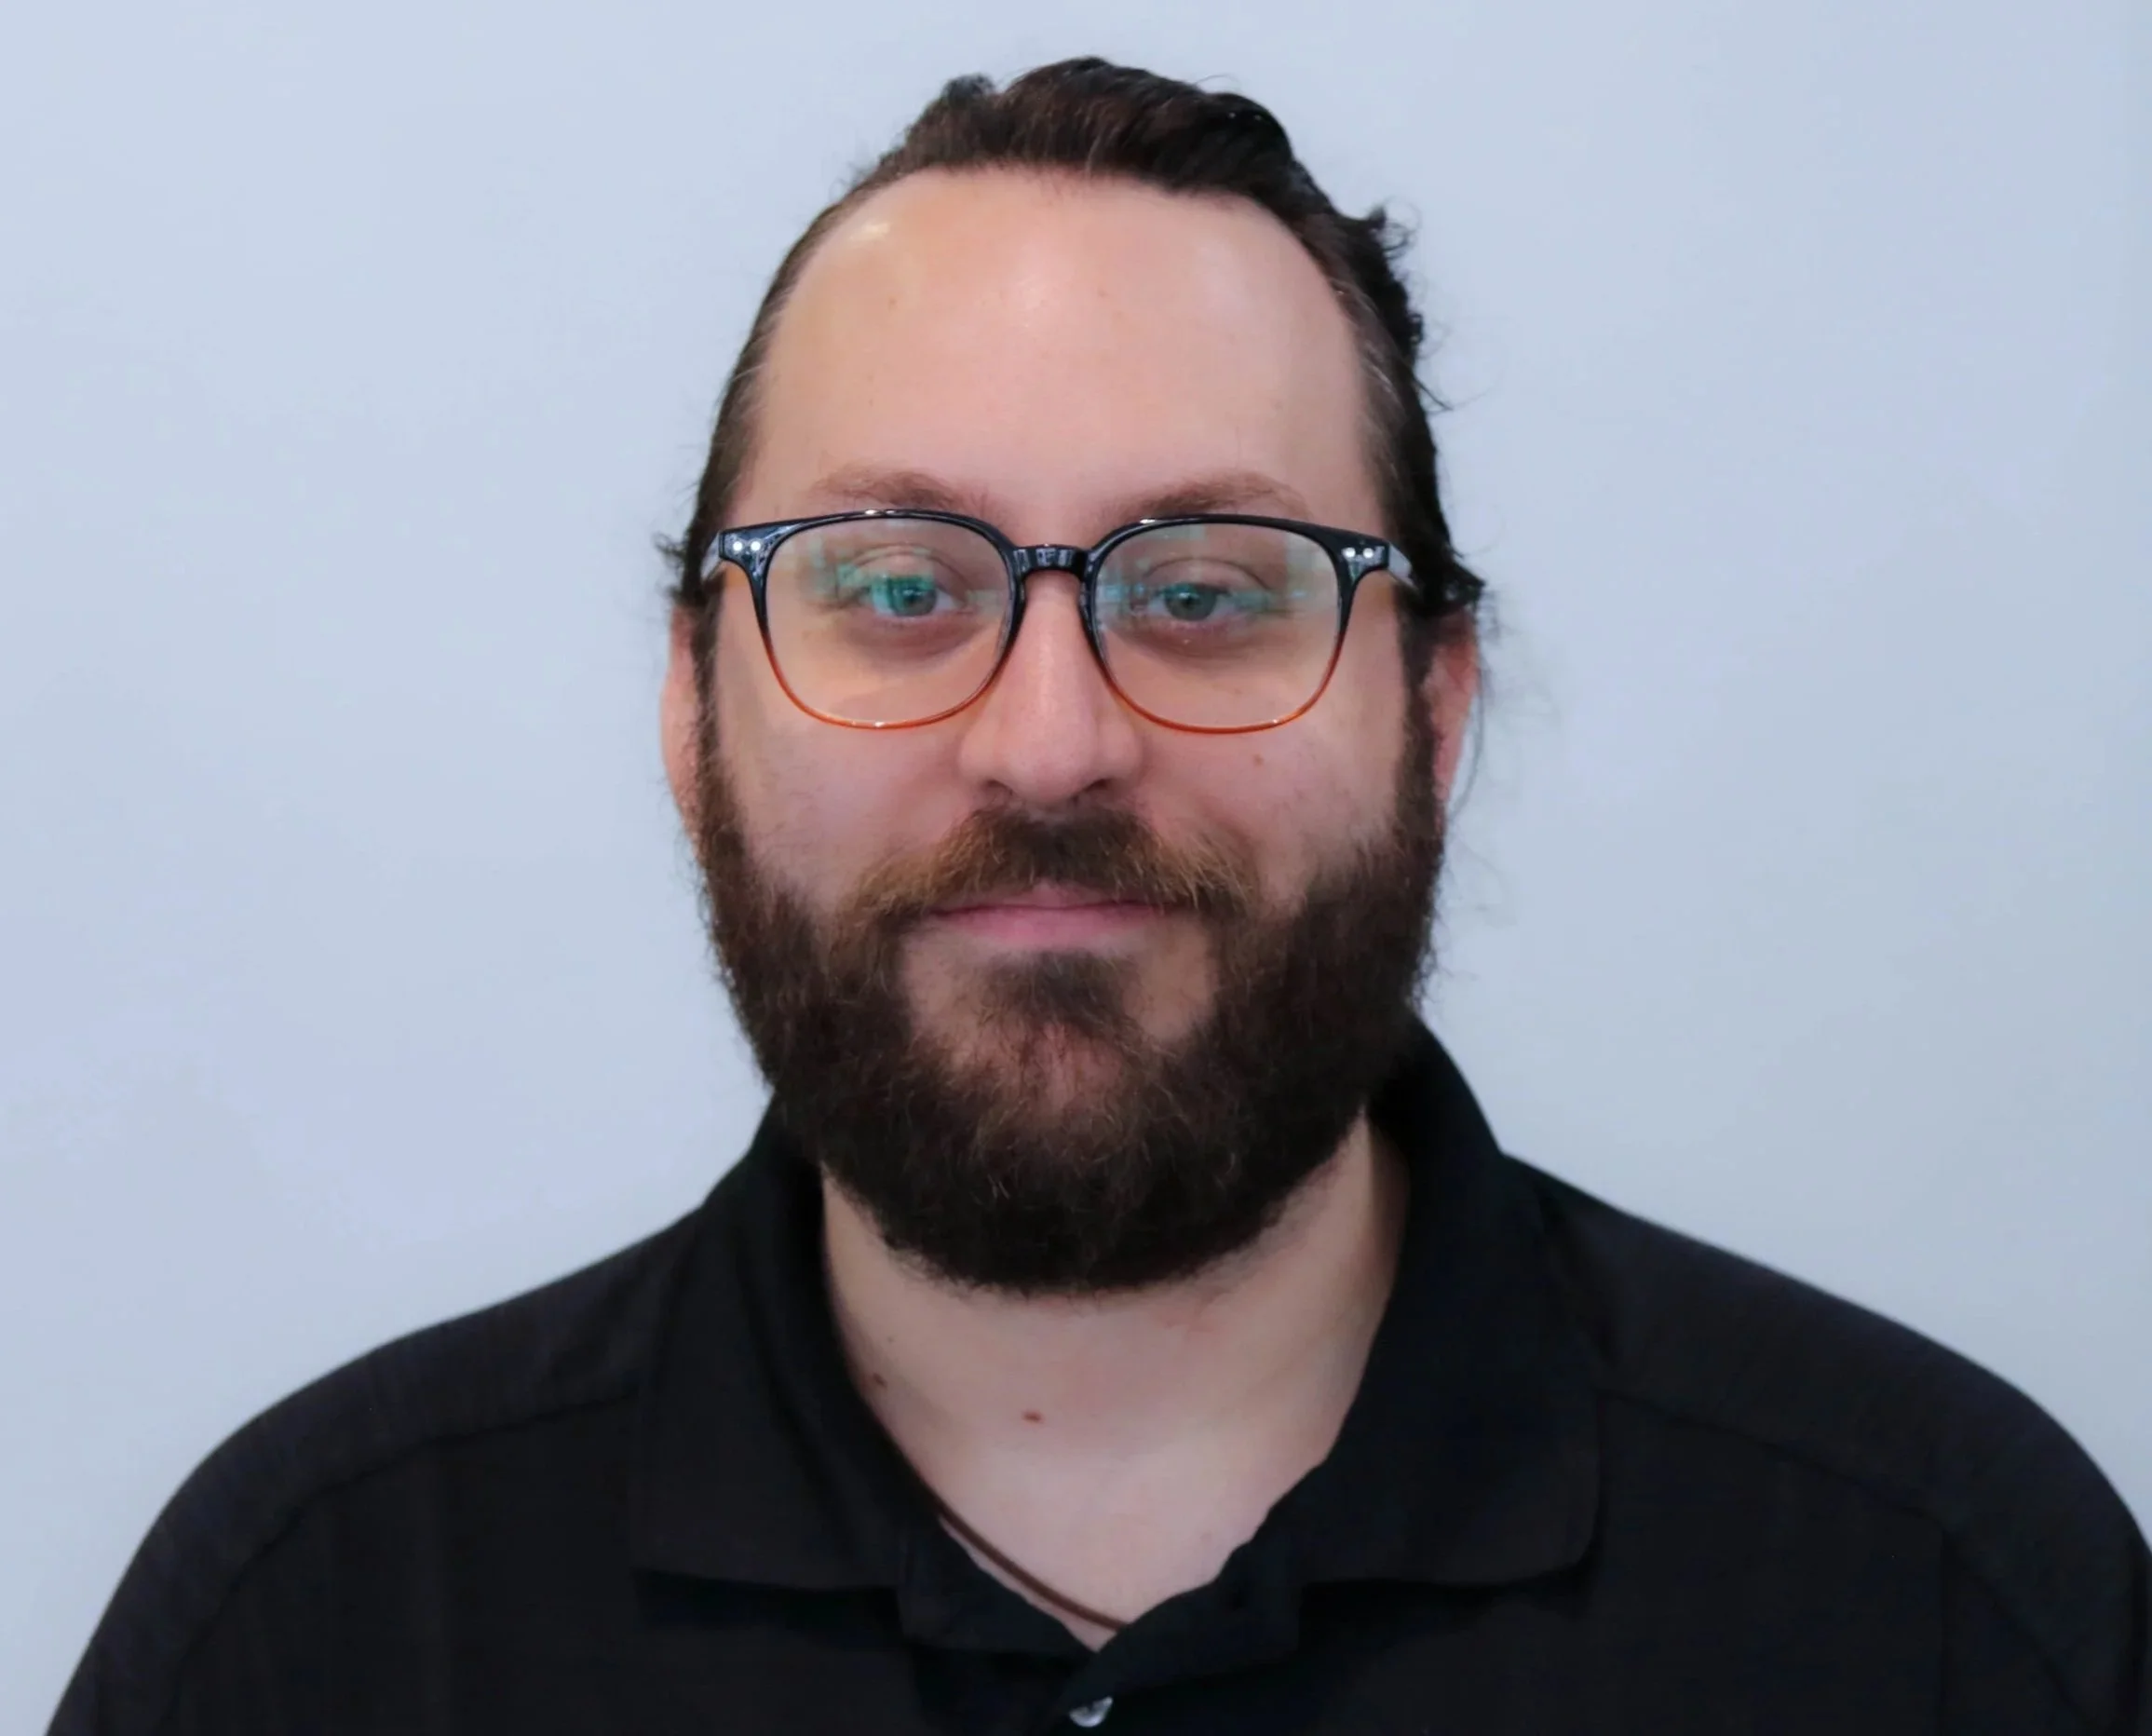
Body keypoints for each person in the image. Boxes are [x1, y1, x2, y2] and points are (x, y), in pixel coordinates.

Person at [52, 58, 2147, 1736]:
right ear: (694, 709)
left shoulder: (1946, 1605)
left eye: (1208, 593)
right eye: (896, 586)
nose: (1048, 744)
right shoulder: (321, 1623)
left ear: (1434, 707)